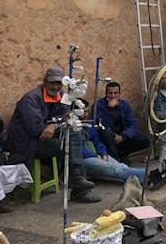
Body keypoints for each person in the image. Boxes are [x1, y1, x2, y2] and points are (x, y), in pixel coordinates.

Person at [6, 66, 100, 203]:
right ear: (45, 82)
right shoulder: (31, 99)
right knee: (65, 145)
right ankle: (78, 184)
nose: (55, 87)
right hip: (25, 142)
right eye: (52, 83)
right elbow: (35, 129)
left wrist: (53, 125)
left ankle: (78, 180)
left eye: (58, 83)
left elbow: (66, 115)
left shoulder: (61, 96)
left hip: (44, 136)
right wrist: (55, 124)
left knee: (74, 133)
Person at [83, 121, 166, 190]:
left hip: (98, 154)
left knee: (120, 166)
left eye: (86, 112)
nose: (85, 114)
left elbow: (96, 140)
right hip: (84, 159)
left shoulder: (88, 124)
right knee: (114, 169)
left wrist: (102, 153)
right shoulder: (71, 128)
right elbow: (76, 150)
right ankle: (151, 174)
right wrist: (94, 155)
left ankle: (148, 180)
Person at [95, 81, 150, 164]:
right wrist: (110, 108)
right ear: (106, 93)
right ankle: (117, 160)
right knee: (106, 133)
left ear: (119, 94)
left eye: (115, 93)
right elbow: (101, 123)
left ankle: (123, 154)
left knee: (144, 140)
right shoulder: (99, 105)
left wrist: (123, 135)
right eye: (110, 93)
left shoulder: (124, 104)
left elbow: (133, 122)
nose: (113, 96)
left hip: (122, 134)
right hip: (108, 135)